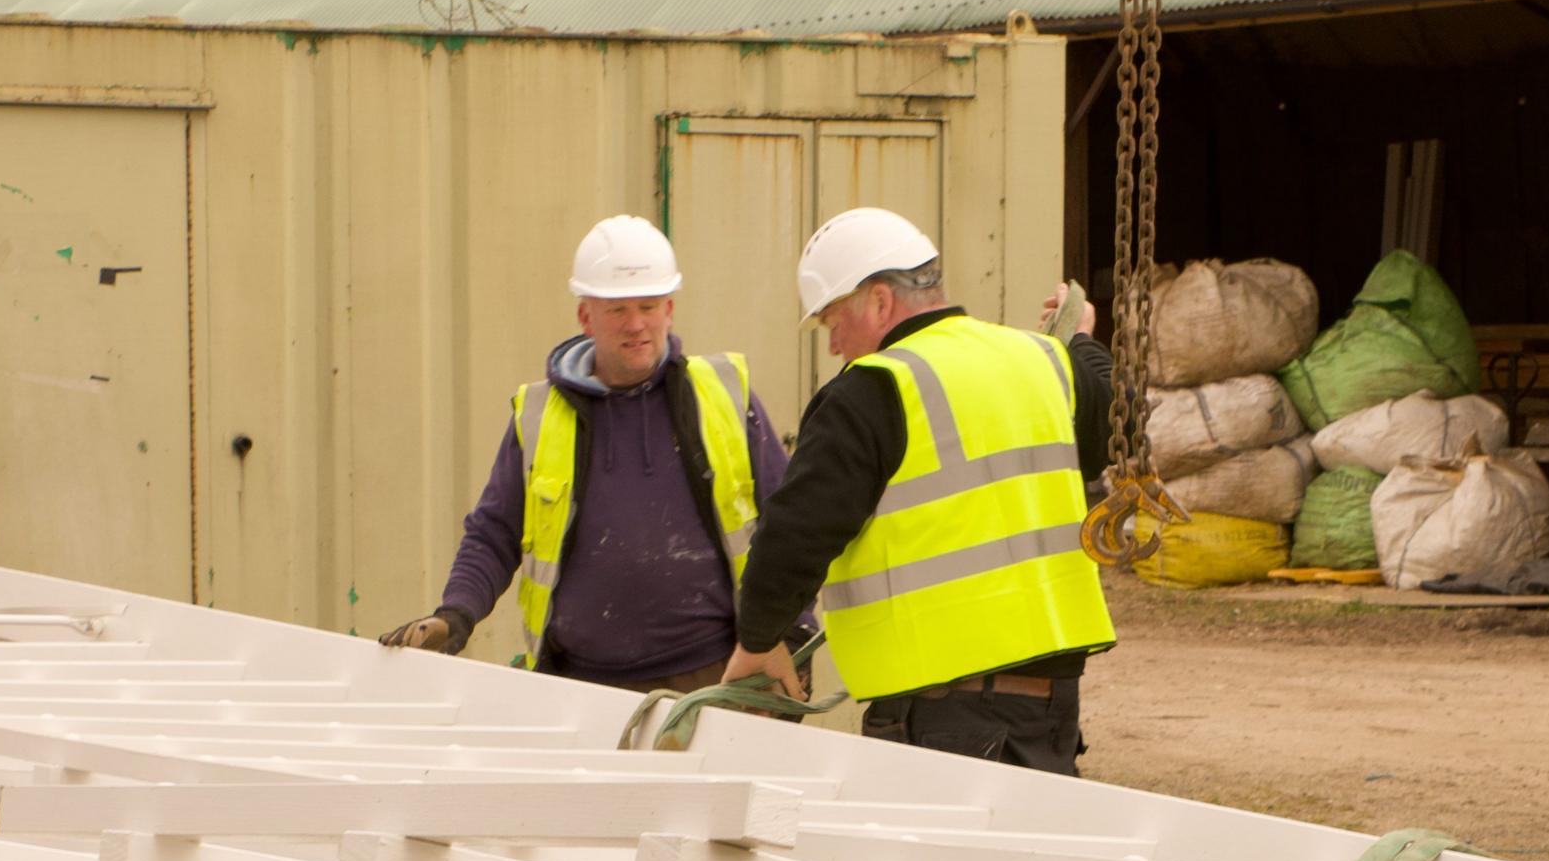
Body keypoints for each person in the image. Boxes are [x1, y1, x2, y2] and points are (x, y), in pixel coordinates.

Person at [718, 208, 1115, 774]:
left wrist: (758, 640)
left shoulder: (873, 389)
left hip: (940, 711)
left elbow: (796, 534)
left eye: (834, 321)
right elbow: (1104, 422)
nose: (834, 346)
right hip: (1049, 707)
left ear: (880, 302)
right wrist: (1081, 342)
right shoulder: (1044, 360)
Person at [384, 216, 788, 693]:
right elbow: (493, 534)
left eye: (648, 306)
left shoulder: (722, 396)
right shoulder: (539, 416)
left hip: (714, 678)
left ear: (670, 310)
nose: (636, 324)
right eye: (617, 310)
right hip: (580, 688)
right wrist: (456, 614)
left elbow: (788, 525)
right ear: (585, 317)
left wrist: (788, 633)